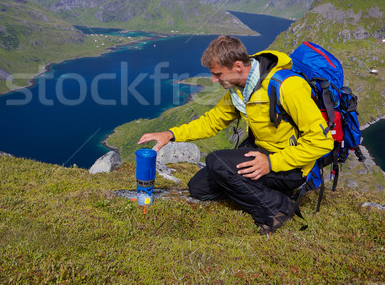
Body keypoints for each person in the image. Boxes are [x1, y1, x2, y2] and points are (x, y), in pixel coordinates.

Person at [138, 35, 334, 234]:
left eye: (218, 74)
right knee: (199, 188)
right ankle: (263, 188)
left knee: (216, 161)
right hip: (261, 154)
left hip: (290, 165)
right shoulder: (239, 91)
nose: (214, 80)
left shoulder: (287, 87)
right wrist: (170, 134)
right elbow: (211, 121)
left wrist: (272, 163)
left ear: (238, 66)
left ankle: (278, 207)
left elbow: (323, 142)